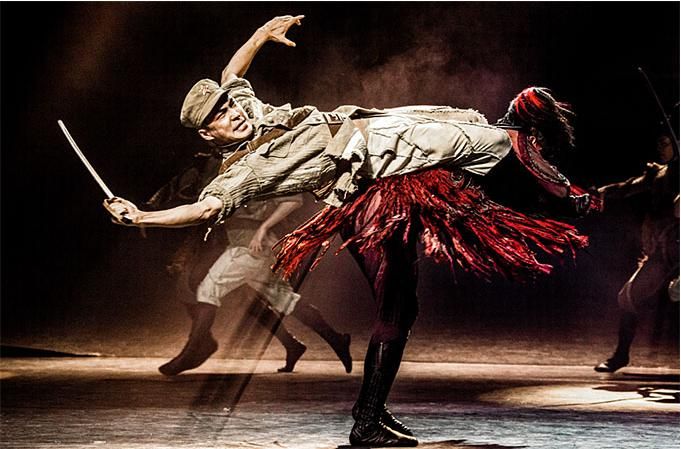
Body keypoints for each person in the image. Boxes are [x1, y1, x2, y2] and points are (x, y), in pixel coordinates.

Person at [104, 15, 599, 447]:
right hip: (371, 176)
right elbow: (205, 208)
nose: (233, 114)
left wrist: (260, 35)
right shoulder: (243, 171)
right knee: (490, 140)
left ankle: (369, 416)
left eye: (228, 106)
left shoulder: (248, 110)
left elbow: (231, 76)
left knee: (401, 303)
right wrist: (142, 217)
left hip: (371, 146)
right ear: (207, 134)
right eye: (220, 118)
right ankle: (565, 197)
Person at [144, 143, 352, 376]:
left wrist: (263, 227)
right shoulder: (227, 170)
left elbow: (293, 200)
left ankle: (196, 348)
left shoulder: (262, 168)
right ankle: (331, 340)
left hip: (250, 247)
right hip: (250, 246)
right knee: (284, 300)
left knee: (208, 290)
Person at [594, 134, 679, 373]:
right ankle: (621, 355)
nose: (660, 147)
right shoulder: (659, 174)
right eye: (659, 143)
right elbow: (627, 188)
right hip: (664, 253)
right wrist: (601, 192)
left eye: (666, 143)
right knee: (628, 297)